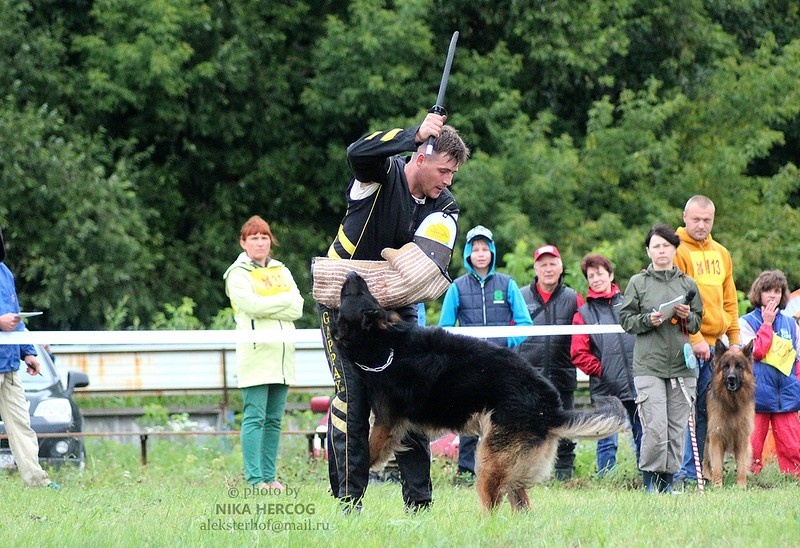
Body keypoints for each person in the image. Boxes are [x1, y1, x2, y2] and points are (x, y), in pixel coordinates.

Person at [316, 112, 469, 513]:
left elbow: (424, 274)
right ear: (421, 156)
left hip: (399, 312)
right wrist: (411, 134)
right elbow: (357, 153)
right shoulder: (380, 175)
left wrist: (384, 277)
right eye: (445, 170)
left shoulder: (445, 207)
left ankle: (419, 504)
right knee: (352, 399)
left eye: (452, 174)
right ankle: (348, 502)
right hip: (342, 305)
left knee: (411, 397)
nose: (448, 181)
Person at [438, 225, 532, 479]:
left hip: (502, 365)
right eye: (475, 249)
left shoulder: (508, 284)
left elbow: (525, 324)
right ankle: (467, 472)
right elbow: (445, 329)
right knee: (469, 417)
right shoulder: (456, 287)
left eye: (485, 248)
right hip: (469, 365)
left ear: (492, 252)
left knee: (503, 418)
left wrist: (504, 343)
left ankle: (503, 470)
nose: (480, 254)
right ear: (468, 253)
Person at [619, 224, 703, 493]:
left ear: (675, 249)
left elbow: (697, 322)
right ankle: (650, 484)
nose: (661, 250)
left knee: (676, 428)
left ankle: (668, 483)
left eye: (666, 245)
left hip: (681, 365)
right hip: (649, 365)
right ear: (648, 251)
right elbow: (625, 320)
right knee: (655, 427)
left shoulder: (687, 284)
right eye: (656, 246)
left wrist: (686, 314)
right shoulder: (637, 282)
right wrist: (649, 319)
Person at [223, 215, 303, 492]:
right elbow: (251, 306)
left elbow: (298, 307)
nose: (260, 242)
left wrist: (272, 303)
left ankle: (270, 477)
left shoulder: (282, 270)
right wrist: (282, 301)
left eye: (264, 237)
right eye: (254, 237)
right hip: (256, 354)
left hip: (282, 356)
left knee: (274, 419)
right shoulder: (237, 274)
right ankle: (255, 479)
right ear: (243, 243)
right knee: (254, 416)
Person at [673, 195, 740, 486]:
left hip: (719, 348)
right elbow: (679, 301)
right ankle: (684, 473)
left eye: (707, 220)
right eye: (696, 219)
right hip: (688, 343)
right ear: (684, 217)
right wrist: (696, 338)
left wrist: (735, 341)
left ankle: (697, 471)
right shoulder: (677, 250)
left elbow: (730, 300)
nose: (701, 225)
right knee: (685, 409)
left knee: (706, 409)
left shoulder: (722, 253)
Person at [517, 244, 584, 480]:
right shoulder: (520, 296)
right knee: (525, 428)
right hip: (528, 376)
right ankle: (525, 474)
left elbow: (584, 334)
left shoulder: (573, 298)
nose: (548, 269)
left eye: (552, 263)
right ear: (535, 268)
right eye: (543, 264)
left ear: (561, 266)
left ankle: (564, 474)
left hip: (562, 375)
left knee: (564, 425)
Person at [571, 253, 642, 477]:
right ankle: (607, 478)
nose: (596, 279)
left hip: (635, 378)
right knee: (606, 437)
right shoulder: (583, 314)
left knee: (641, 432)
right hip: (604, 383)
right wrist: (603, 370)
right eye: (591, 275)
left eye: (600, 273)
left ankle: (646, 474)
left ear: (610, 275)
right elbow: (578, 353)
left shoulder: (630, 303)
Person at [0, 227, 59, 489]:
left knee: (22, 426)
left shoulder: (5, 273)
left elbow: (16, 320)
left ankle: (37, 483)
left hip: (9, 367)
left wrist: (29, 352)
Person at [738, 270, 800, 477]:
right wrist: (766, 324)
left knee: (792, 444)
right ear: (758, 293)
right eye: (767, 291)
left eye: (777, 291)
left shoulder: (791, 324)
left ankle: (793, 477)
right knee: (752, 444)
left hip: (787, 394)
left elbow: (797, 359)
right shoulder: (745, 322)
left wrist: (796, 385)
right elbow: (755, 352)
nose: (772, 295)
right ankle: (747, 478)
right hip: (757, 395)